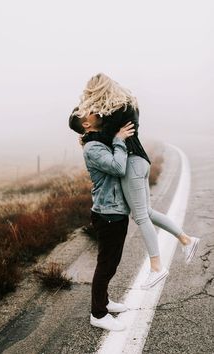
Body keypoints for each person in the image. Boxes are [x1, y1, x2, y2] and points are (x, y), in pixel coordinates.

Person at [70, 72, 200, 290]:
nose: (92, 104)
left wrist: (85, 135)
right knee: (147, 212)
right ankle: (186, 240)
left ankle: (157, 268)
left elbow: (101, 134)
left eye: (92, 95)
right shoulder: (127, 106)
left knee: (140, 216)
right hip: (141, 160)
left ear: (99, 90)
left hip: (131, 164)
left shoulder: (114, 115)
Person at [69, 112, 135, 331]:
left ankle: (104, 301)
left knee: (111, 262)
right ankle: (98, 313)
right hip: (108, 212)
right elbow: (118, 168)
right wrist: (119, 140)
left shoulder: (95, 141)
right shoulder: (93, 148)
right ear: (86, 123)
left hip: (113, 209)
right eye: (87, 110)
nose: (95, 109)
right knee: (106, 264)